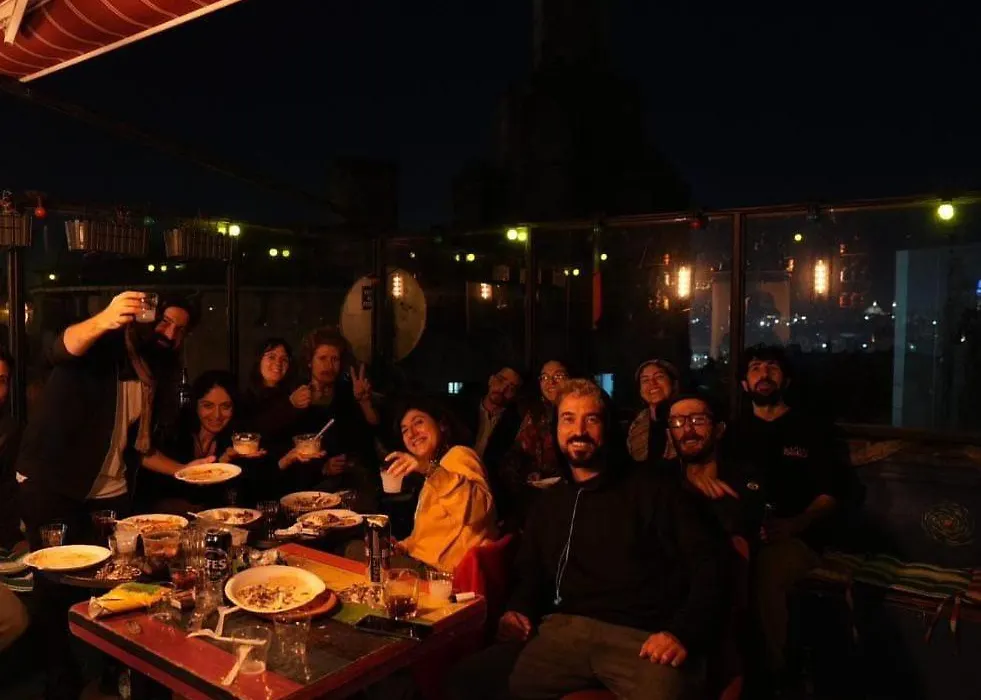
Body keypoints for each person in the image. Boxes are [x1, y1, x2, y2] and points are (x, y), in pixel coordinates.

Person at [449, 379, 727, 700]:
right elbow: (531, 574)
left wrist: (682, 633)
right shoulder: (549, 503)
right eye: (568, 419)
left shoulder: (657, 490)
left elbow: (710, 566)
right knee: (467, 679)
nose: (578, 430)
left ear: (607, 426)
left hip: (641, 639)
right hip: (562, 634)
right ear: (556, 428)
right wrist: (518, 611)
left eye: (591, 419)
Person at [14, 292, 195, 700]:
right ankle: (60, 681)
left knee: (120, 580)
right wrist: (106, 318)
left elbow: (141, 451)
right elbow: (60, 348)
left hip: (110, 486)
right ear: (143, 317)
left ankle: (116, 671)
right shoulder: (104, 345)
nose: (170, 334)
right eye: (165, 322)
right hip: (52, 481)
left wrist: (189, 471)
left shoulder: (152, 375)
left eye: (180, 330)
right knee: (55, 586)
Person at [729, 345, 851, 686]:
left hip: (798, 538)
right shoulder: (734, 433)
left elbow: (831, 494)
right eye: (755, 368)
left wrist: (795, 524)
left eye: (772, 367)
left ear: (786, 380)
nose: (764, 374)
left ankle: (773, 674)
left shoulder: (812, 430)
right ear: (744, 384)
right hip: (743, 531)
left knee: (766, 571)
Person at [382, 397, 498, 572]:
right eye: (405, 430)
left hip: (440, 575)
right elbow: (426, 538)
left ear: (442, 424)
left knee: (352, 549)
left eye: (418, 422)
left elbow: (479, 511)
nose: (411, 433)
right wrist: (402, 547)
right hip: (421, 565)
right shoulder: (437, 469)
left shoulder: (459, 455)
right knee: (370, 549)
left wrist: (430, 470)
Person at [276, 327, 377, 508]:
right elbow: (284, 450)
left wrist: (364, 402)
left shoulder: (347, 393)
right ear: (309, 361)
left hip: (348, 485)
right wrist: (323, 468)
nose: (329, 366)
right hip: (306, 488)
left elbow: (369, 436)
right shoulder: (296, 394)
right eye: (322, 358)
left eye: (334, 359)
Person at [137, 371, 264, 513]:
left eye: (225, 406)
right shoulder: (174, 434)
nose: (217, 415)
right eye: (208, 406)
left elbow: (216, 498)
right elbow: (161, 495)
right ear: (195, 405)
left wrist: (226, 460)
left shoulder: (232, 441)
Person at [498, 360, 568, 528]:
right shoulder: (536, 413)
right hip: (540, 493)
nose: (550, 382)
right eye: (544, 377)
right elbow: (518, 452)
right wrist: (529, 472)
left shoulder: (581, 409)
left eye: (558, 376)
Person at [627, 358, 679, 466]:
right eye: (645, 380)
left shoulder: (686, 417)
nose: (652, 383)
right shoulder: (634, 426)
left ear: (673, 383)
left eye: (659, 377)